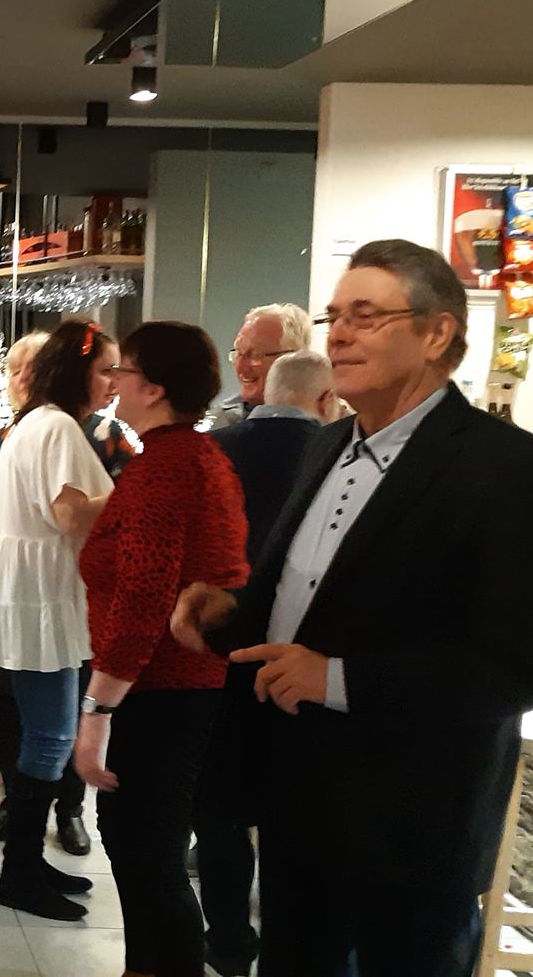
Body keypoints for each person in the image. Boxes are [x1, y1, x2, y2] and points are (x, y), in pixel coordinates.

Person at [171, 239, 533, 977]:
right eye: (334, 317)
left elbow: (527, 666)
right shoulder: (326, 446)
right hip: (298, 796)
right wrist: (229, 612)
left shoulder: (516, 470)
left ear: (437, 332)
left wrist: (337, 679)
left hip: (413, 818)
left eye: (365, 316)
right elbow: (303, 599)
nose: (339, 334)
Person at [69, 322, 246, 977]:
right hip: (184, 685)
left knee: (146, 852)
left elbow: (143, 596)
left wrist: (97, 710)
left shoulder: (166, 467)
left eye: (126, 370)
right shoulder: (193, 457)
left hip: (161, 688)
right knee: (145, 848)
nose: (114, 382)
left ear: (155, 387)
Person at [0, 319, 121, 921]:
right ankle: (21, 871)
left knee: (46, 731)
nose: (113, 382)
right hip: (41, 595)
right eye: (105, 370)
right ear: (78, 371)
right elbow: (69, 513)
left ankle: (26, 862)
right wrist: (135, 493)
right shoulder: (55, 426)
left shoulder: (36, 422)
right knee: (51, 735)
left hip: (35, 590)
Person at [192, 347, 335, 976]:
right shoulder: (335, 457)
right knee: (295, 816)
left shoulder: (216, 448)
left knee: (220, 810)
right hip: (308, 660)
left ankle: (227, 941)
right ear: (325, 399)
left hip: (222, 649)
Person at [207, 303, 313, 430]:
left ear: (292, 358)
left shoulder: (324, 422)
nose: (241, 366)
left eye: (255, 355)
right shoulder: (217, 424)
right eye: (238, 353)